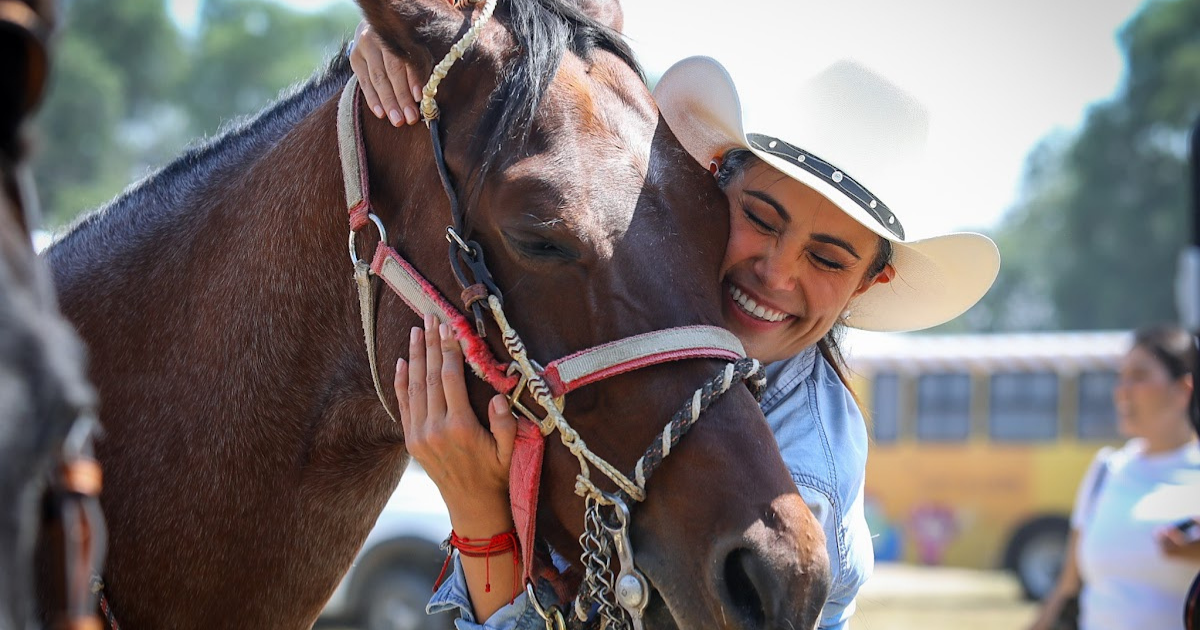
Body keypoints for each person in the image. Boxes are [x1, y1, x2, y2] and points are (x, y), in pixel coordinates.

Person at [352, 22, 1001, 630]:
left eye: (828, 259)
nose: (775, 273)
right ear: (710, 186)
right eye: (762, 219)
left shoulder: (804, 477)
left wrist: (478, 517)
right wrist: (416, 58)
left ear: (869, 281)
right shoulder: (648, 341)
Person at [1029, 324, 1200, 630]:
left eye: (1139, 376)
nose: (1122, 390)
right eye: (1121, 377)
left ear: (1182, 390)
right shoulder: (1106, 469)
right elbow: (1067, 587)